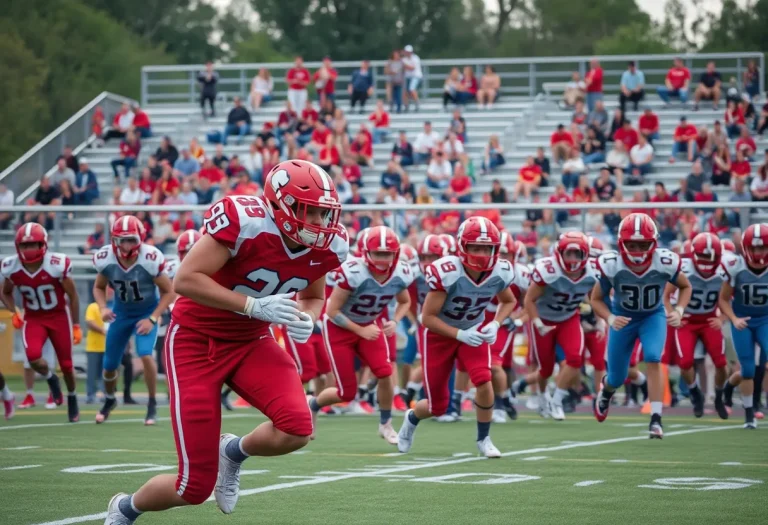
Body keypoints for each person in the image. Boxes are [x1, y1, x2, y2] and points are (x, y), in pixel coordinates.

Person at [103, 161, 349, 522]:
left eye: (325, 213)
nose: (320, 222)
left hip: (251, 342)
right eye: (309, 210)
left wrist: (307, 317)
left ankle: (233, 451)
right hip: (195, 341)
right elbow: (186, 279)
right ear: (279, 205)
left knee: (297, 429)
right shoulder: (245, 221)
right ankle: (125, 508)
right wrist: (252, 305)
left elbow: (313, 296)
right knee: (193, 488)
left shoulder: (328, 245)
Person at [396, 217, 517, 457]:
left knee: (483, 379)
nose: (482, 253)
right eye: (475, 247)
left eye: (486, 247)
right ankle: (411, 418)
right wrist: (460, 334)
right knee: (437, 406)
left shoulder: (500, 270)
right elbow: (427, 318)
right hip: (440, 336)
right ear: (462, 246)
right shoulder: (448, 271)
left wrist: (495, 323)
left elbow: (509, 301)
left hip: (474, 329)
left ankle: (484, 439)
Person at [592, 213, 692, 438]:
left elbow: (685, 287)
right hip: (622, 318)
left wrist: (679, 310)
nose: (637, 250)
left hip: (652, 316)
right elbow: (596, 299)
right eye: (632, 244)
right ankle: (606, 392)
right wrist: (609, 318)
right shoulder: (611, 264)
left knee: (654, 357)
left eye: (643, 244)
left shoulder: (665, 261)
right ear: (621, 243)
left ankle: (656, 419)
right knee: (616, 377)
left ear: (654, 243)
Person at [309, 226, 412, 443]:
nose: (383, 259)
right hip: (340, 328)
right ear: (366, 253)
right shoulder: (353, 272)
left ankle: (385, 424)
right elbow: (331, 311)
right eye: (378, 253)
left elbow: (405, 301)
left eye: (388, 253)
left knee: (384, 372)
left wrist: (395, 320)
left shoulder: (400, 272)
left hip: (369, 325)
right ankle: (313, 405)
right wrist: (361, 330)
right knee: (346, 393)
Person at [92, 216, 174, 426]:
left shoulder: (150, 258)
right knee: (109, 365)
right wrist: (102, 307)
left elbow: (169, 292)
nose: (126, 245)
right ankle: (110, 400)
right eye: (122, 240)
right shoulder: (106, 258)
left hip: (146, 311)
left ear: (140, 238)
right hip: (121, 312)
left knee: (146, 354)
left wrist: (153, 318)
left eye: (131, 239)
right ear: (114, 240)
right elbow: (99, 287)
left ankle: (152, 403)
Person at [0, 223, 82, 422]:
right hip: (33, 317)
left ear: (43, 245)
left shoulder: (55, 264)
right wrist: (14, 312)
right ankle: (51, 379)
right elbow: (5, 292)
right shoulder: (11, 266)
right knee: (33, 357)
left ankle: (72, 397)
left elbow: (73, 295)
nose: (29, 250)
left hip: (58, 316)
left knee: (67, 365)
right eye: (25, 245)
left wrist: (76, 325)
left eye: (34, 245)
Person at [518, 232, 599, 420]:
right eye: (568, 253)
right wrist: (537, 323)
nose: (572, 259)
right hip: (544, 320)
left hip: (568, 318)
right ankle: (542, 396)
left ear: (585, 255)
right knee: (545, 369)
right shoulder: (548, 270)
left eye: (577, 254)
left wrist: (601, 320)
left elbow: (595, 297)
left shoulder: (592, 271)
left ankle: (557, 401)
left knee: (575, 359)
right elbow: (529, 300)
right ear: (559, 253)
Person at [663, 233, 729, 420]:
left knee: (721, 363)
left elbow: (728, 298)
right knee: (685, 363)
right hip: (688, 321)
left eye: (710, 256)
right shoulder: (684, 269)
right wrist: (673, 313)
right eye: (702, 256)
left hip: (709, 320)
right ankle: (695, 394)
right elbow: (666, 295)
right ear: (693, 254)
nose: (706, 261)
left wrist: (722, 317)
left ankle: (718, 396)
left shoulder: (724, 271)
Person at [719, 223, 768, 429]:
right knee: (747, 369)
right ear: (745, 248)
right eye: (754, 248)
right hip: (743, 320)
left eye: (763, 247)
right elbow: (722, 299)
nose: (758, 252)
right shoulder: (735, 266)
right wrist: (733, 318)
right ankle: (748, 412)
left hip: (765, 319)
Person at [84, 290, 110, 404]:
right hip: (93, 346)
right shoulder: (93, 307)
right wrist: (103, 331)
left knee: (105, 373)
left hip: (107, 346)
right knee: (92, 373)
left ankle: (105, 394)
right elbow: (90, 322)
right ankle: (90, 395)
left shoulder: (111, 308)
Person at [402, 45, 423, 112]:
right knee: (404, 91)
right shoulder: (404, 59)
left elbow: (412, 68)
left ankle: (417, 104)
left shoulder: (415, 58)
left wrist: (404, 65)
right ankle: (406, 106)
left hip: (416, 77)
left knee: (412, 89)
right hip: (408, 77)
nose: (408, 53)